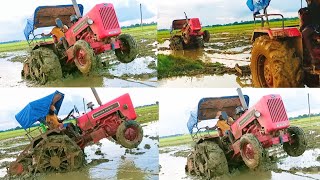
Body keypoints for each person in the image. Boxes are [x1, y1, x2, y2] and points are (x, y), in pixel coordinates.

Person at [300, 0, 320, 70]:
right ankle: (305, 55)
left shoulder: (317, 1)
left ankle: (313, 57)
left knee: (304, 33)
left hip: (316, 25)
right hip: (313, 24)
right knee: (302, 31)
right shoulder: (309, 3)